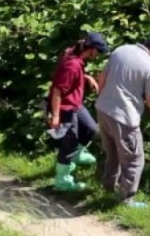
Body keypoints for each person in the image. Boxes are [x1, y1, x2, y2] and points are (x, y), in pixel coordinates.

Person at [94, 31, 150, 208]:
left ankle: (108, 189)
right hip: (125, 117)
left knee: (112, 152)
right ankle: (125, 199)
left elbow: (102, 76)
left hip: (103, 109)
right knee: (134, 159)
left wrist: (105, 97)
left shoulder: (122, 50)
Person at [46, 31, 109, 192]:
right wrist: (56, 116)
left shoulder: (74, 56)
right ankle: (62, 181)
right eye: (99, 52)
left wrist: (86, 77)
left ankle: (77, 154)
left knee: (90, 128)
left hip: (76, 104)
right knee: (69, 141)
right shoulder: (72, 64)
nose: (98, 56)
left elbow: (69, 75)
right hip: (65, 107)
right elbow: (58, 91)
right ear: (92, 49)